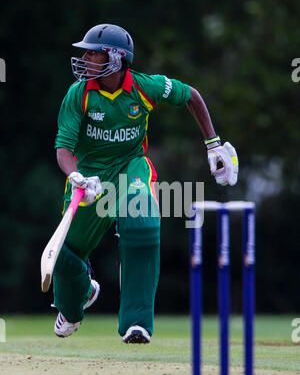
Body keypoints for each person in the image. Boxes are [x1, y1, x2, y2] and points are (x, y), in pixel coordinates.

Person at [53, 23, 239, 342]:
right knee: (65, 258)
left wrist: (213, 143)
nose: (84, 58)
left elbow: (190, 95)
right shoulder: (78, 94)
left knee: (143, 226)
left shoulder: (144, 88)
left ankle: (137, 322)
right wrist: (77, 176)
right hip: (90, 178)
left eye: (92, 54)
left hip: (131, 168)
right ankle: (78, 298)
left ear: (115, 58)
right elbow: (63, 149)